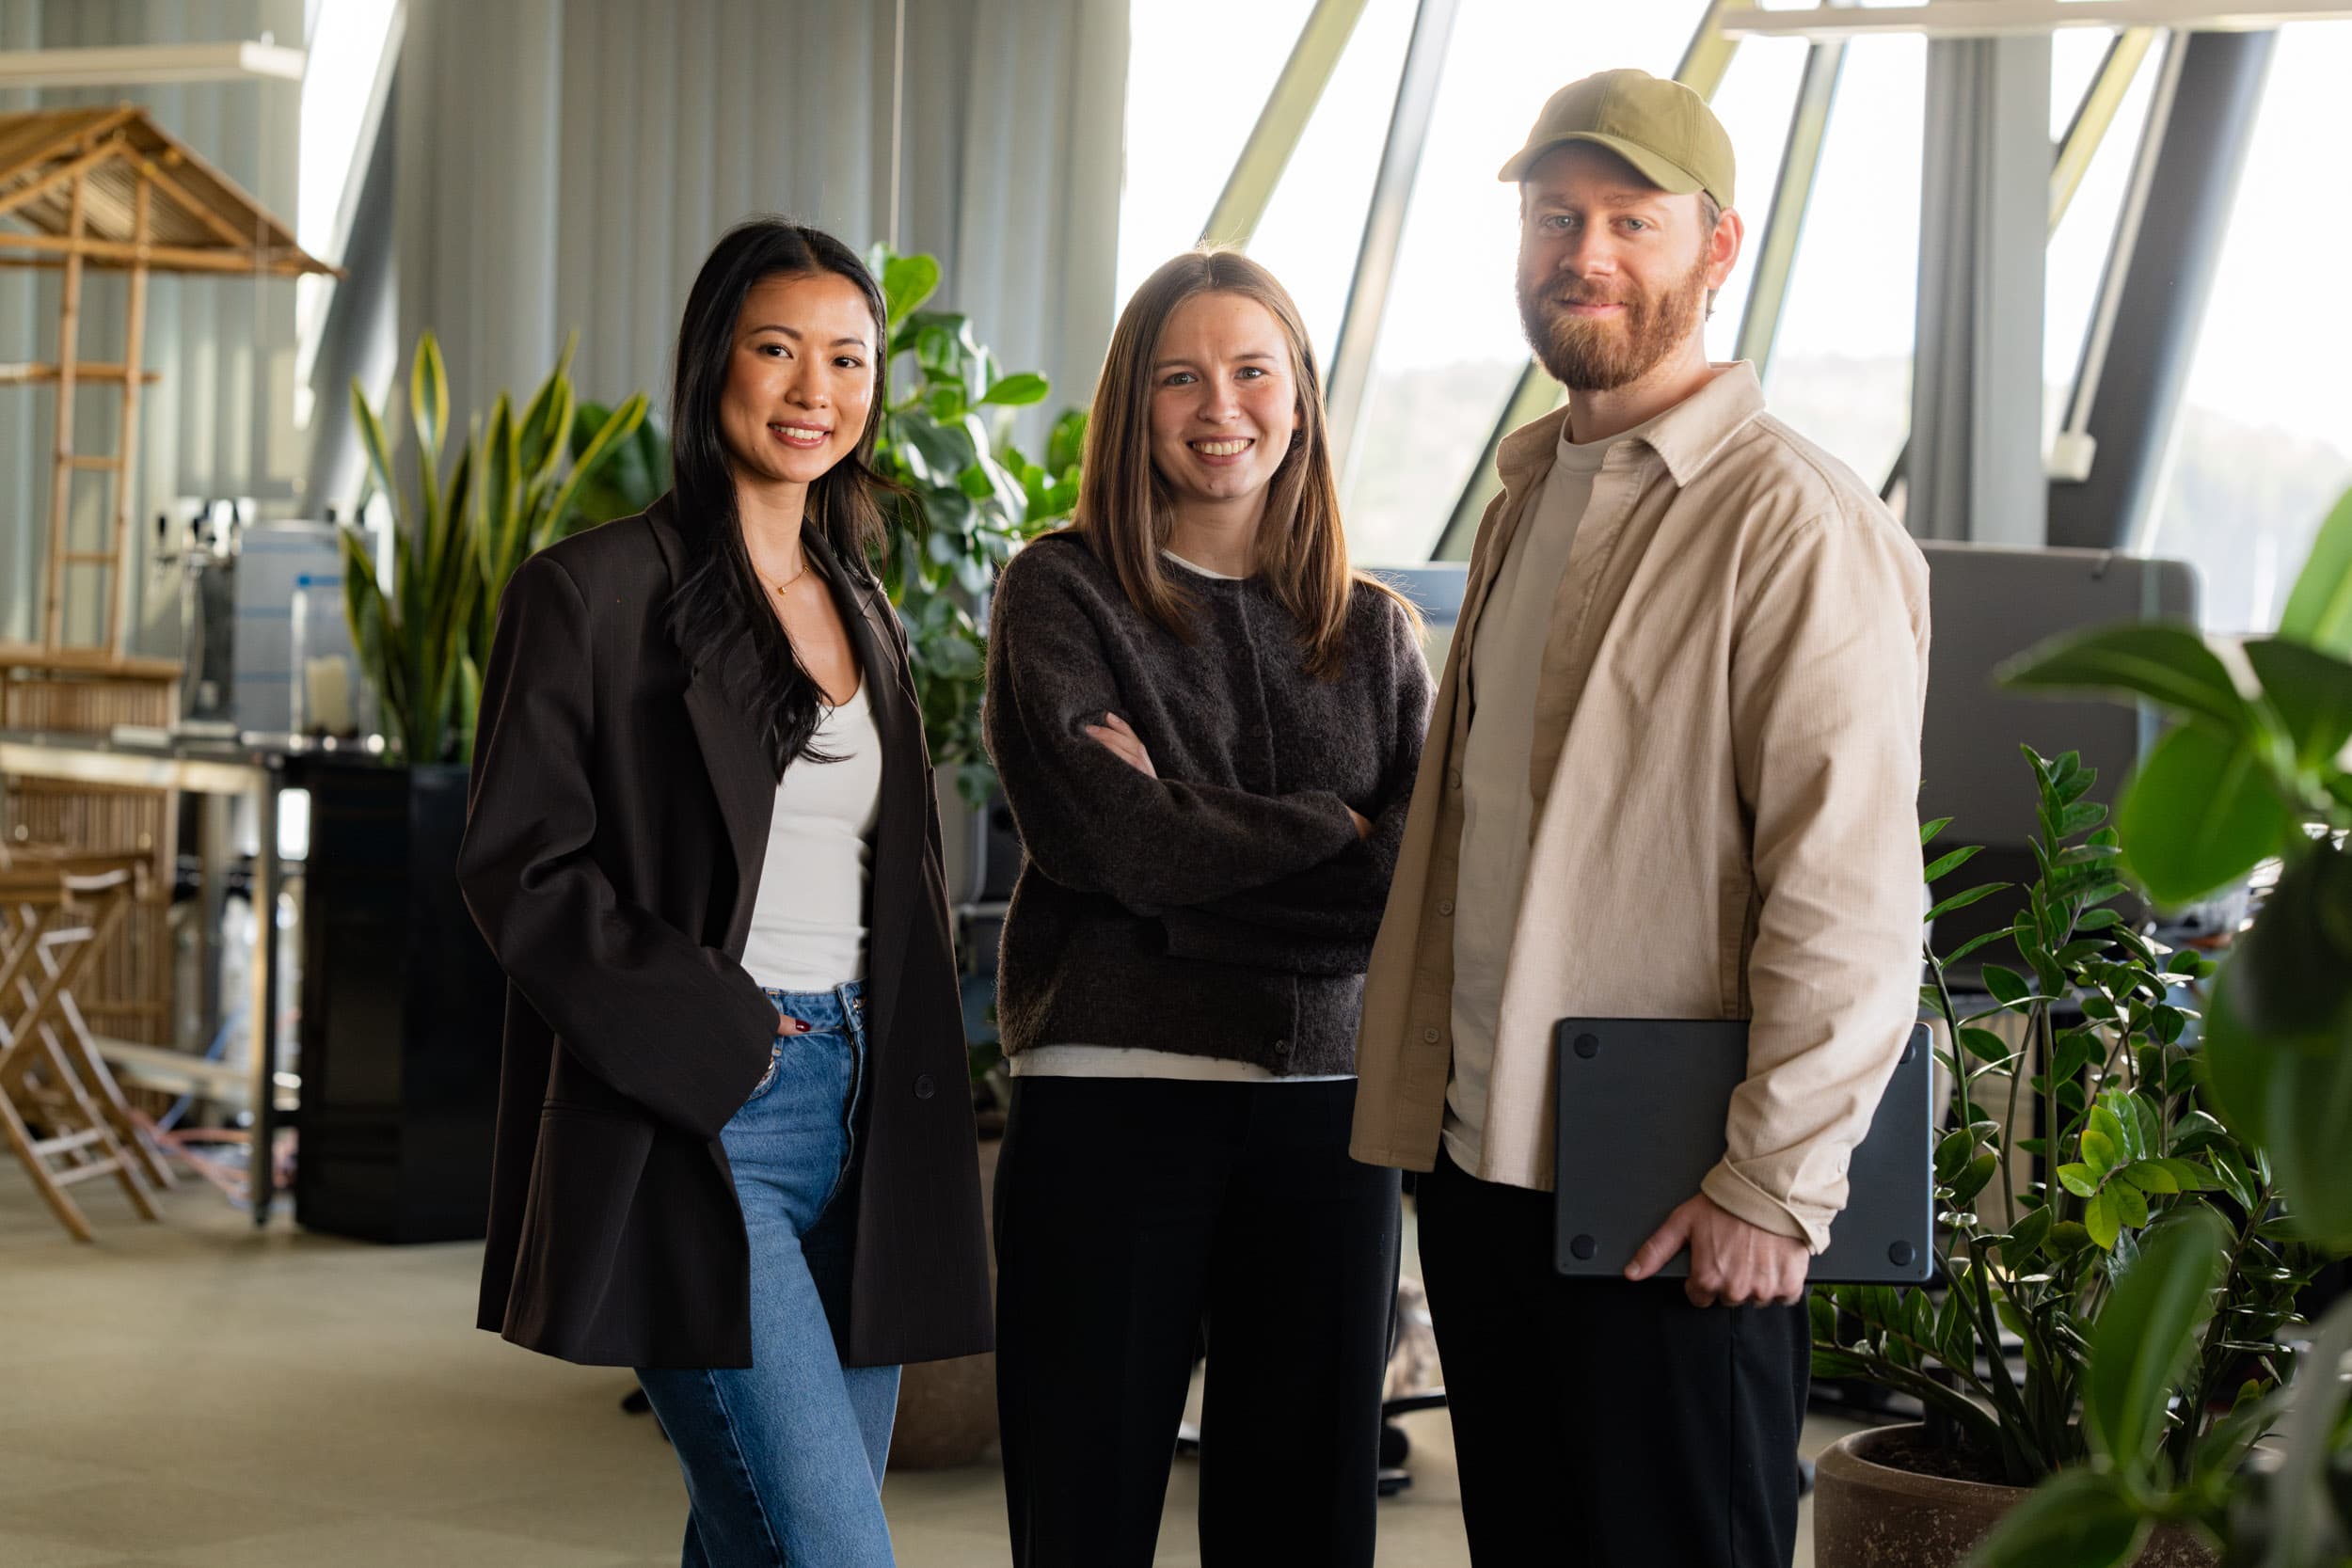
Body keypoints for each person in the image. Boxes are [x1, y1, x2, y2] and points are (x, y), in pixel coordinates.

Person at [1348, 70, 1931, 1567]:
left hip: (1681, 1205)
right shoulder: (1528, 493)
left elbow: (1851, 897)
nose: (1583, 253)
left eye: (1630, 220)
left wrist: (1772, 1190)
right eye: (1556, 217)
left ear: (1718, 249)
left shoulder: (1796, 525)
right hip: (1493, 1176)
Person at [457, 218, 992, 1568]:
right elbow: (519, 864)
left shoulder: (859, 599)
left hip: (870, 1114)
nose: (817, 391)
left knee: (757, 1536)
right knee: (830, 1546)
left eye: (849, 359)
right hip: (709, 1115)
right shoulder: (590, 593)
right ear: (714, 364)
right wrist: (723, 1040)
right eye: (779, 350)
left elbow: (897, 867)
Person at [983, 248, 1431, 1568]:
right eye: (1180, 376)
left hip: (1328, 1115)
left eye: (1251, 372)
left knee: (1304, 1520)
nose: (1218, 405)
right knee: (1088, 1502)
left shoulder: (1378, 633)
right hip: (1113, 1091)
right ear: (1135, 406)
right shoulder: (1059, 591)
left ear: (1298, 401)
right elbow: (1100, 836)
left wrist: (1185, 858)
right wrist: (1333, 833)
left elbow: (1409, 884)